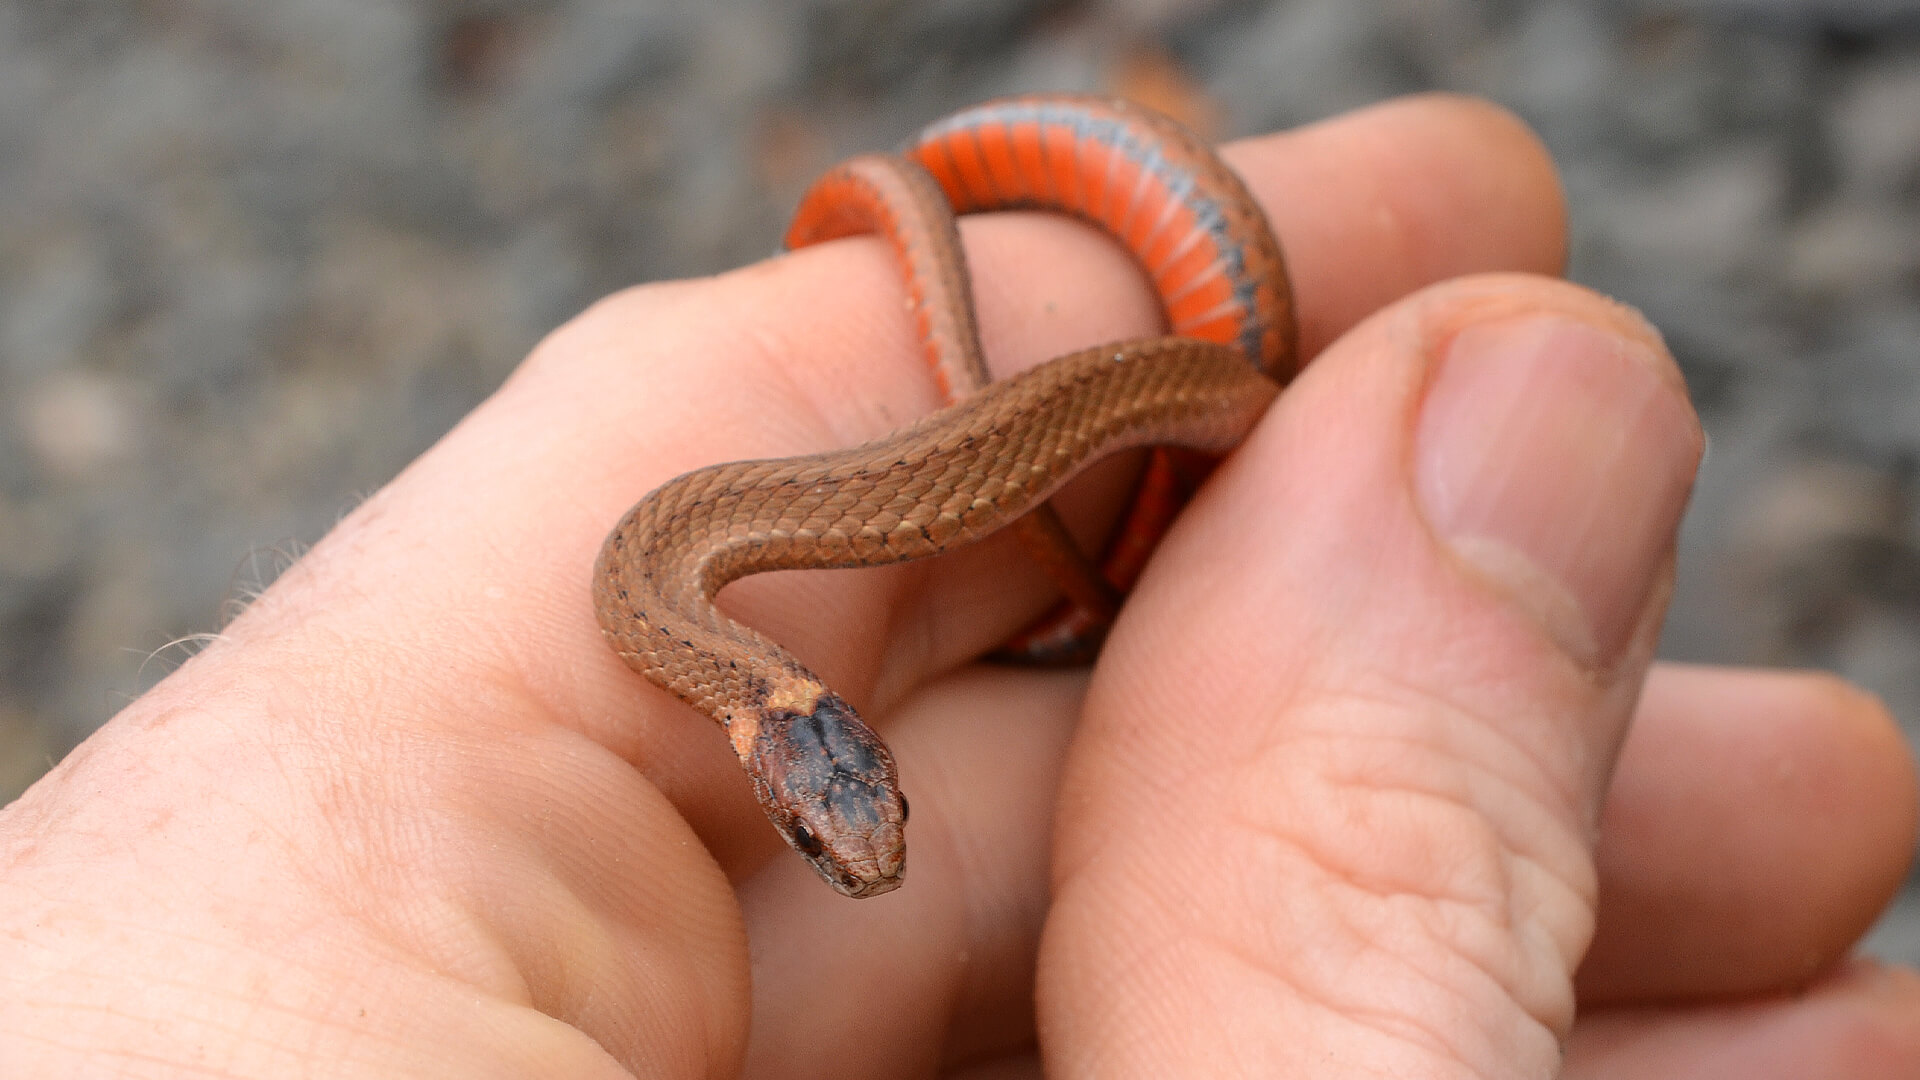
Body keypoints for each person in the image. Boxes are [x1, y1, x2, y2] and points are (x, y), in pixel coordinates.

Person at [0, 93, 1914, 1077]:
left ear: (818, 751)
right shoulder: (690, 632)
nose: (867, 838)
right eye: (852, 835)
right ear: (785, 754)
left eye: (862, 821)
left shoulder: (708, 611)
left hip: (1161, 392)